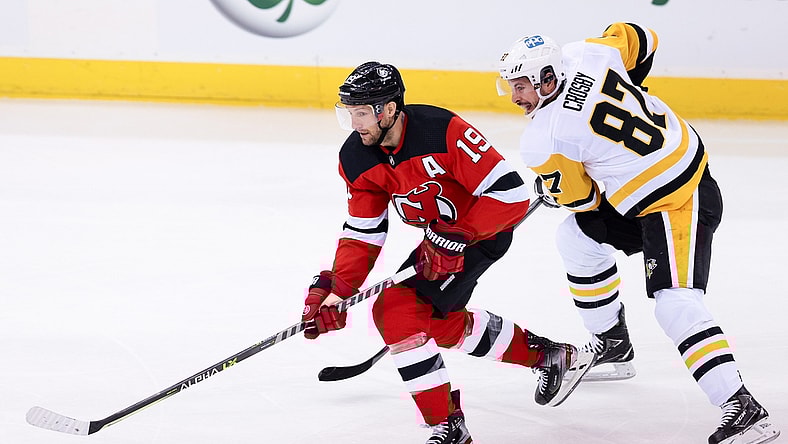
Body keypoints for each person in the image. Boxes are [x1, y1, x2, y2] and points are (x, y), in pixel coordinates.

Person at [496, 23, 780, 444]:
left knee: (675, 303)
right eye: (510, 85)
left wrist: (552, 190)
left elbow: (583, 199)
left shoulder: (545, 138)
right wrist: (628, 86)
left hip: (680, 197)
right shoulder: (590, 52)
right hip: (657, 176)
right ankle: (613, 344)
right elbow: (640, 36)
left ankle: (743, 409)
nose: (514, 96)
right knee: (576, 240)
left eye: (520, 86)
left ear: (546, 79)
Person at [301, 61, 595, 444]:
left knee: (395, 311)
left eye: (362, 113)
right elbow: (364, 230)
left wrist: (461, 234)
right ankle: (548, 355)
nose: (355, 124)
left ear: (389, 109)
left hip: (481, 231)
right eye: (349, 114)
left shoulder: (441, 131)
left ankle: (447, 424)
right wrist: (337, 289)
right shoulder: (358, 157)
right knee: (428, 322)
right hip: (438, 242)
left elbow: (510, 194)